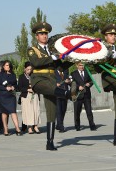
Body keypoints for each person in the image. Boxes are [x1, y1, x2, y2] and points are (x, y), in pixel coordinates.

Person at [28, 22, 74, 151]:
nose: (44, 36)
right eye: (41, 34)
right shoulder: (33, 49)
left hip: (52, 83)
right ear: (37, 36)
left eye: (46, 34)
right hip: (39, 80)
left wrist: (73, 60)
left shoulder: (53, 51)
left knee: (51, 113)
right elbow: (36, 63)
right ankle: (67, 94)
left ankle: (50, 142)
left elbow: (60, 67)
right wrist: (52, 57)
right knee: (54, 90)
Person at [0, 60, 22, 136]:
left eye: (9, 65)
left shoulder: (13, 75)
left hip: (11, 96)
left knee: (13, 112)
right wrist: (5, 88)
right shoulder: (0, 74)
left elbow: (16, 85)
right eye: (7, 65)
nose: (8, 67)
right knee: (4, 113)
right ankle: (5, 129)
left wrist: (13, 87)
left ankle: (17, 128)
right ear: (3, 66)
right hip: (3, 96)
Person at [71, 62, 96, 131]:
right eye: (80, 65)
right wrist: (78, 87)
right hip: (78, 95)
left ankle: (92, 125)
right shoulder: (73, 73)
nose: (82, 67)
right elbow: (71, 83)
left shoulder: (87, 72)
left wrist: (89, 84)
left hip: (86, 95)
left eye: (83, 65)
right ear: (77, 66)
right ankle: (77, 125)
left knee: (89, 111)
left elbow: (92, 81)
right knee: (77, 111)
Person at [18, 61, 41, 134]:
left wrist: (35, 89)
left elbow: (39, 85)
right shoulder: (21, 77)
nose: (29, 71)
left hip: (35, 95)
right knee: (28, 112)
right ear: (24, 69)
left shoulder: (34, 76)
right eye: (28, 69)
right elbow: (19, 87)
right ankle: (29, 127)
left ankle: (36, 126)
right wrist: (28, 89)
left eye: (30, 69)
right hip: (26, 96)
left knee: (35, 110)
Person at [55, 68, 71, 133]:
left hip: (65, 93)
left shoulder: (66, 70)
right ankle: (61, 126)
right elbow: (50, 81)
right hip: (57, 93)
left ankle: (59, 124)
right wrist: (55, 84)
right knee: (58, 110)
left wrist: (69, 81)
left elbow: (69, 80)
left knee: (63, 110)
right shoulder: (53, 71)